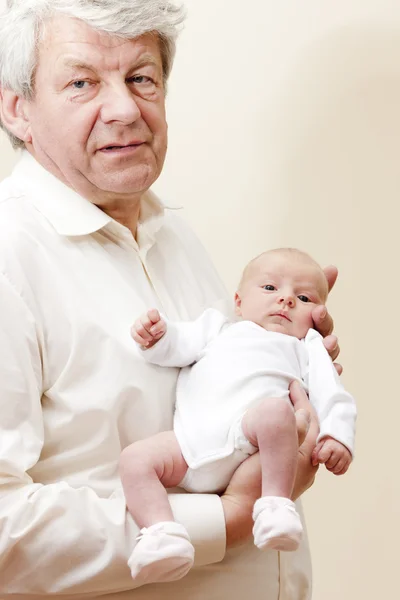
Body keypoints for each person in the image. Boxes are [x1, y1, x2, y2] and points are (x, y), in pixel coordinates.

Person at [0, 1, 340, 598]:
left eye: (142, 78)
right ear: (16, 109)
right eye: (82, 82)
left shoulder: (168, 230)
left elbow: (214, 411)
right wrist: (231, 519)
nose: (126, 109)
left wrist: (287, 361)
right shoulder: (10, 255)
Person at [124, 248, 356, 584]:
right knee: (135, 460)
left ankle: (274, 506)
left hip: (250, 440)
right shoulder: (217, 328)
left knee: (277, 412)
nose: (287, 300)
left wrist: (337, 436)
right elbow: (177, 345)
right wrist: (156, 336)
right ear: (238, 302)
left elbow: (331, 393)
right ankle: (162, 533)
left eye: (304, 297)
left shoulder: (306, 348)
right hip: (191, 446)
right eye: (270, 289)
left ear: (318, 316)